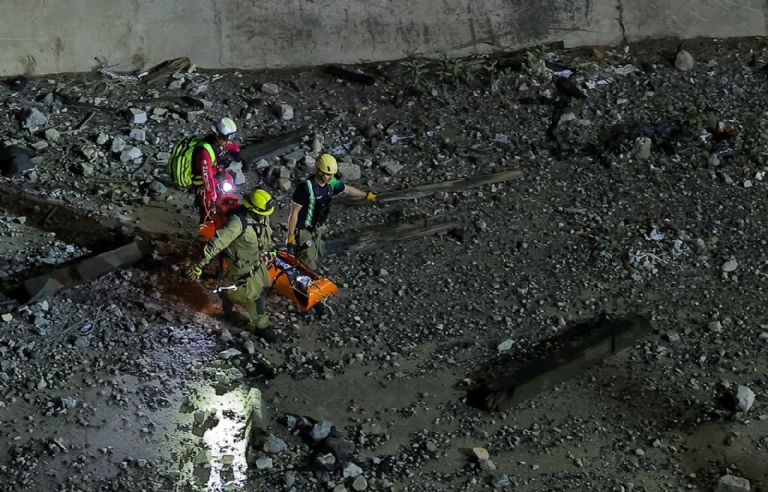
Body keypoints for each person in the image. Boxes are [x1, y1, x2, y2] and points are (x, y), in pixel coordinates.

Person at [187, 189, 278, 341]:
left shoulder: (262, 217)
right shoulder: (237, 224)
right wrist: (199, 265)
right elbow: (217, 243)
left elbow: (264, 235)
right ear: (252, 209)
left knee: (265, 288)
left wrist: (269, 252)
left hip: (257, 261)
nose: (266, 215)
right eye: (264, 213)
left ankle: (229, 295)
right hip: (242, 267)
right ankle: (262, 327)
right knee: (255, 297)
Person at [286, 154, 377, 271]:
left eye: (332, 174)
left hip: (317, 227)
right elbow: (294, 213)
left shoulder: (331, 183)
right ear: (319, 171)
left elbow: (347, 189)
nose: (331, 177)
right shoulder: (305, 188)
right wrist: (291, 236)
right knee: (307, 261)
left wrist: (366, 195)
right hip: (304, 229)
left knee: (315, 252)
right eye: (328, 174)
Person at [192, 117, 242, 223]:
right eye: (225, 138)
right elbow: (207, 176)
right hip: (205, 186)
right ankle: (206, 237)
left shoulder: (220, 142)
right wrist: (212, 196)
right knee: (208, 213)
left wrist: (237, 152)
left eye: (230, 138)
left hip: (217, 177)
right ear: (217, 135)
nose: (227, 141)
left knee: (229, 200)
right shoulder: (205, 151)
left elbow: (230, 145)